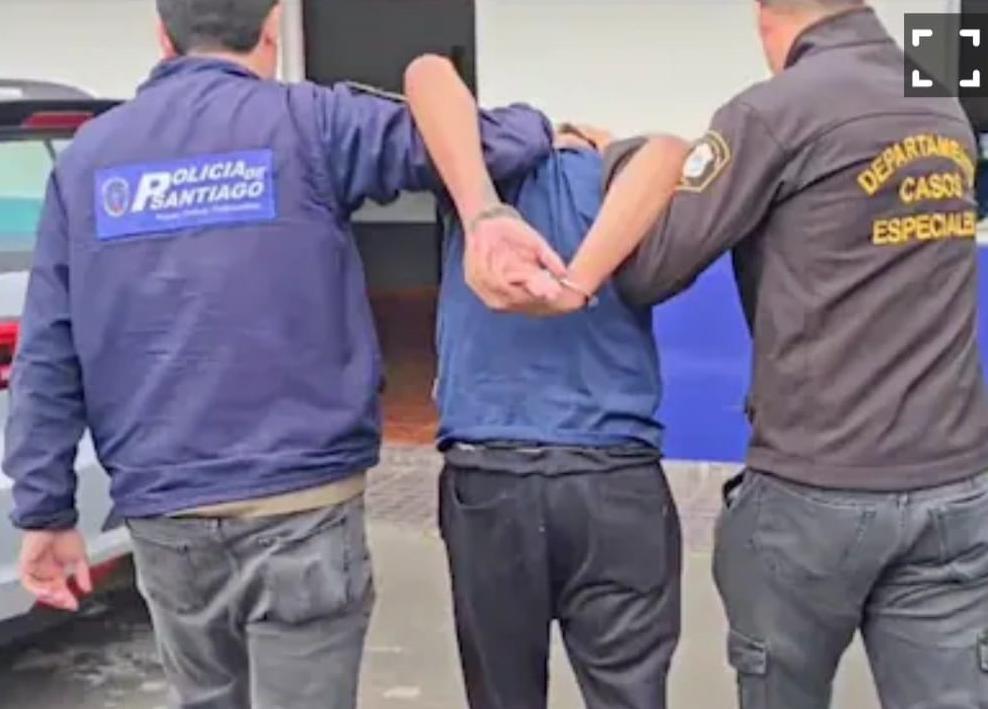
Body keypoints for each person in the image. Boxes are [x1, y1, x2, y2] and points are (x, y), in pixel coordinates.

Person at [1, 1, 562, 706]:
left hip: (167, 510)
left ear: (163, 36)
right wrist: (546, 130)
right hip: (303, 505)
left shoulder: (87, 159)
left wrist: (45, 510)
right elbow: (497, 141)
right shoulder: (313, 121)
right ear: (272, 28)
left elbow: (49, 349)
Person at [473, 1, 988, 707]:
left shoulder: (772, 113)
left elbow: (652, 268)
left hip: (815, 487)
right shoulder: (941, 106)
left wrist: (622, 156)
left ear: (765, 16)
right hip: (955, 485)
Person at [419, 79, 687, 707]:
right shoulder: (621, 190)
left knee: (502, 692)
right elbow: (671, 151)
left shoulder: (477, 191)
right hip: (615, 474)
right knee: (630, 691)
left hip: (491, 475)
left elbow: (427, 79)